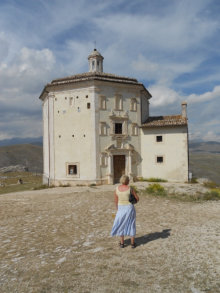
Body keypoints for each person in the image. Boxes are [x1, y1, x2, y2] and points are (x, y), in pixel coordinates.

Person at [111, 175, 139, 248]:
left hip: (120, 208)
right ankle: (132, 244)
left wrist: (118, 209)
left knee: (121, 224)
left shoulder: (116, 189)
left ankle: (122, 243)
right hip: (129, 208)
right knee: (131, 224)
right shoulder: (130, 189)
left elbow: (116, 201)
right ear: (127, 181)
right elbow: (137, 198)